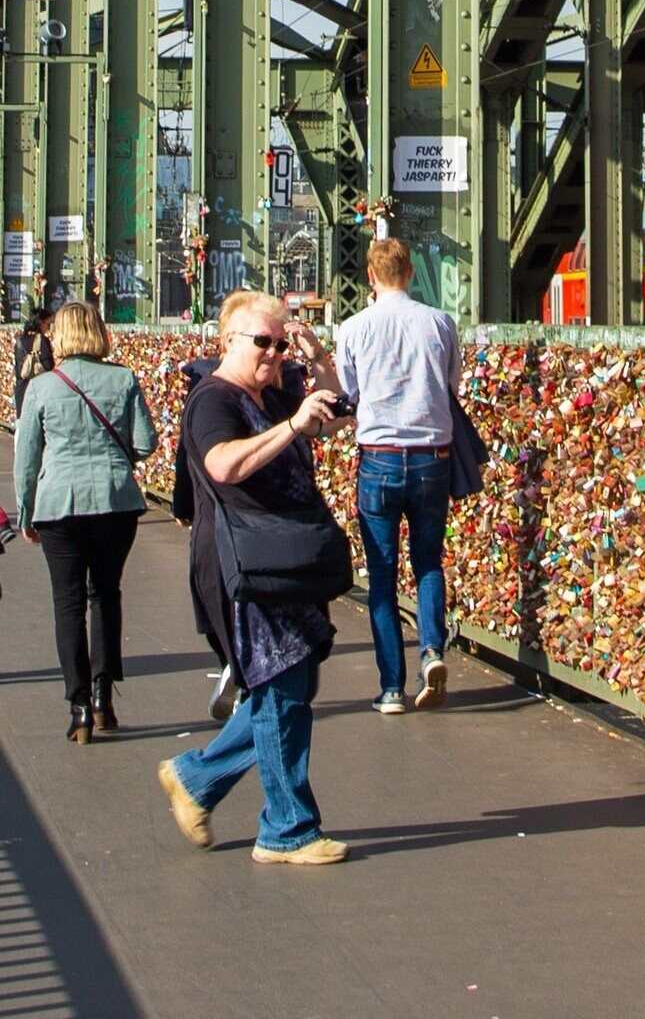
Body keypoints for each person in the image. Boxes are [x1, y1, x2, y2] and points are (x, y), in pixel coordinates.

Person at [159, 288, 350, 866]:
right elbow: (223, 465)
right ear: (227, 341)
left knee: (289, 683)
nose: (272, 353)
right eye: (261, 342)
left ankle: (197, 778)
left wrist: (317, 359)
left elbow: (341, 413)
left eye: (280, 342)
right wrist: (292, 424)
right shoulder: (212, 400)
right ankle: (287, 828)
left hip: (283, 558)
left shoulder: (275, 389)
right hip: (244, 564)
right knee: (283, 682)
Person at [13, 300, 158, 743]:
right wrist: (114, 459)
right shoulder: (123, 378)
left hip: (59, 503)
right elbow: (146, 443)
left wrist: (26, 511)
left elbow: (26, 459)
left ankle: (77, 706)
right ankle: (102, 696)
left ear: (60, 334)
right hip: (116, 503)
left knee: (68, 602)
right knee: (105, 594)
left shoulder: (42, 386)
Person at [338, 235, 462, 715]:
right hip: (433, 455)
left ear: (370, 277)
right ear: (410, 273)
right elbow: (450, 385)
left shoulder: (354, 327)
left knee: (383, 575)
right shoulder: (439, 322)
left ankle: (391, 688)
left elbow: (351, 392)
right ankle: (431, 650)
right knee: (429, 561)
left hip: (379, 457)